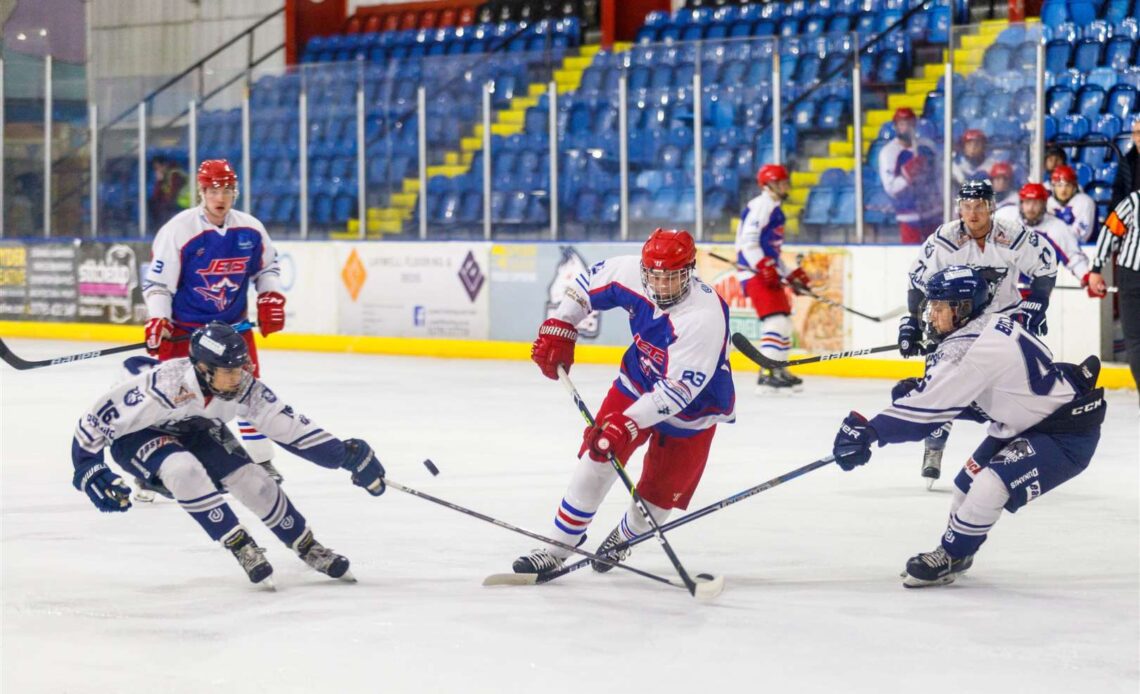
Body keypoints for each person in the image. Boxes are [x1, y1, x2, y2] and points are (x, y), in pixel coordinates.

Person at [832, 265, 1105, 587]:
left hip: (1065, 433)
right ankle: (959, 551)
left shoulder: (966, 350)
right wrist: (929, 388)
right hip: (1029, 419)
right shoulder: (993, 322)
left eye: (939, 307)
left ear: (962, 308)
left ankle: (950, 554)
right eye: (930, 307)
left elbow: (924, 413)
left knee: (991, 484)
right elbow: (996, 395)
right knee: (966, 483)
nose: (931, 315)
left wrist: (869, 431)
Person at [69, 322, 386, 586]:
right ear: (203, 368)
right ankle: (239, 544)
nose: (238, 378)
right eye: (228, 372)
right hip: (139, 436)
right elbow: (96, 419)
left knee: (254, 479)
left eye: (240, 369)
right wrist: (88, 468)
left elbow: (288, 427)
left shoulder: (243, 386)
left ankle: (307, 545)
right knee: (183, 469)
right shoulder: (164, 385)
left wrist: (343, 455)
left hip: (195, 427)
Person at [513, 228, 736, 576]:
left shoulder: (704, 317)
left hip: (692, 410)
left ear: (689, 272)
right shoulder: (630, 271)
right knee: (598, 454)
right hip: (638, 379)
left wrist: (628, 422)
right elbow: (582, 286)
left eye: (671, 277)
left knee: (658, 497)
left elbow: (676, 393)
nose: (661, 285)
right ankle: (558, 547)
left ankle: (623, 539)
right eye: (655, 276)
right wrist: (561, 323)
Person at [899, 179, 1057, 487]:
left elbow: (1046, 267)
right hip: (955, 325)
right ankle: (934, 446)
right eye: (966, 207)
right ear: (959, 208)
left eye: (980, 207)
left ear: (992, 208)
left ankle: (1014, 454)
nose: (972, 215)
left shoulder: (1013, 236)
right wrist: (914, 322)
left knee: (1015, 390)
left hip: (1004, 321)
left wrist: (1038, 301)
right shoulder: (944, 239)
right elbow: (918, 279)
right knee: (940, 383)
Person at [141, 159, 287, 492]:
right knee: (174, 401)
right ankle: (153, 469)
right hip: (187, 331)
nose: (220, 197)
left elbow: (267, 268)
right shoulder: (179, 229)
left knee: (248, 391)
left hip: (232, 330)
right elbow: (158, 284)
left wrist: (270, 296)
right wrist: (158, 317)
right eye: (213, 190)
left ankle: (261, 460)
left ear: (235, 192)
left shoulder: (250, 228)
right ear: (202, 192)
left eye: (227, 190)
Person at [734, 163, 811, 391]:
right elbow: (748, 243)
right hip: (753, 272)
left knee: (784, 323)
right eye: (782, 182)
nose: (786, 185)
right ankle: (767, 371)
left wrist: (790, 274)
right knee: (775, 321)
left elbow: (772, 253)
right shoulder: (761, 205)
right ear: (769, 185)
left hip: (764, 269)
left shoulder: (774, 208)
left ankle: (778, 368)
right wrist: (763, 266)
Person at [1087, 191, 1140, 405]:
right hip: (1131, 277)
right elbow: (1111, 231)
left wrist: (1096, 268)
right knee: (1136, 341)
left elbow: (1110, 231)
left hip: (1131, 274)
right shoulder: (1134, 201)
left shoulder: (1135, 201)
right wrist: (1096, 269)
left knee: (1136, 341)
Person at [995, 183, 1091, 285]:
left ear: (1044, 204)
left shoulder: (1056, 227)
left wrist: (1086, 277)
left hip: (1033, 288)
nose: (1031, 208)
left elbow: (1074, 256)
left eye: (1036, 203)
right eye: (1027, 202)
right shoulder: (1004, 216)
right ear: (1021, 203)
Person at [878, 107, 943, 243]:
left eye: (910, 123)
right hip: (908, 214)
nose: (907, 127)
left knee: (937, 253)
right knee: (912, 258)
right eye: (902, 124)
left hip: (933, 213)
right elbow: (890, 188)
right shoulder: (889, 152)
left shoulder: (927, 147)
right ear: (895, 126)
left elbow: (939, 176)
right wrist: (907, 176)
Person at [1047, 164, 1097, 243]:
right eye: (1059, 185)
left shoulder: (1085, 202)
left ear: (1074, 187)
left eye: (1068, 185)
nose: (1063, 190)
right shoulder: (1047, 203)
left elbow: (1081, 236)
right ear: (1053, 187)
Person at [1110, 116, 1140, 210]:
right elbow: (1119, 189)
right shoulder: (1127, 161)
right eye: (1138, 133)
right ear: (1133, 136)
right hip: (1131, 213)